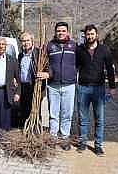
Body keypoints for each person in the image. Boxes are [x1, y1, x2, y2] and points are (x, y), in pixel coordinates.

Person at [76, 24, 116, 156]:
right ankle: (82, 142)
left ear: (96, 35)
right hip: (83, 88)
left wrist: (112, 87)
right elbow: (74, 66)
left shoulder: (104, 49)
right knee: (82, 118)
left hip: (99, 89)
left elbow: (110, 69)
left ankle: (98, 145)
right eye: (88, 34)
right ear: (85, 35)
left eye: (92, 34)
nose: (90, 36)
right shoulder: (80, 49)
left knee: (99, 119)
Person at [38, 22, 76, 151]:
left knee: (67, 113)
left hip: (69, 85)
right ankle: (53, 138)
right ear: (55, 32)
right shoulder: (49, 46)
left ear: (67, 32)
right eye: (58, 31)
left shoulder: (73, 46)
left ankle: (64, 138)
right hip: (53, 85)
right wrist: (46, 73)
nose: (61, 33)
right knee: (53, 113)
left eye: (63, 31)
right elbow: (43, 62)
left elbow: (81, 62)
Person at [17, 32, 37, 127]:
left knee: (34, 108)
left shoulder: (38, 53)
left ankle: (34, 127)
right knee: (23, 108)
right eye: (23, 41)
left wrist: (47, 74)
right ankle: (24, 128)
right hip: (23, 86)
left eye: (28, 40)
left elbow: (48, 68)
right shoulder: (20, 55)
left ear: (32, 41)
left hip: (34, 85)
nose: (25, 43)